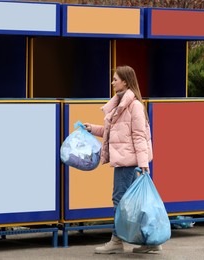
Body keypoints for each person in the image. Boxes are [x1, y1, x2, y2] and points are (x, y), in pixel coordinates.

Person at [83, 65, 161, 254]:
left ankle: (117, 242)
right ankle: (151, 241)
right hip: (128, 161)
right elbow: (114, 133)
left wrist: (143, 165)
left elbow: (139, 137)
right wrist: (92, 128)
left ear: (125, 81)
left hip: (129, 163)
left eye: (115, 79)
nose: (112, 82)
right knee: (137, 203)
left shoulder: (133, 106)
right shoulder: (120, 105)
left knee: (120, 200)